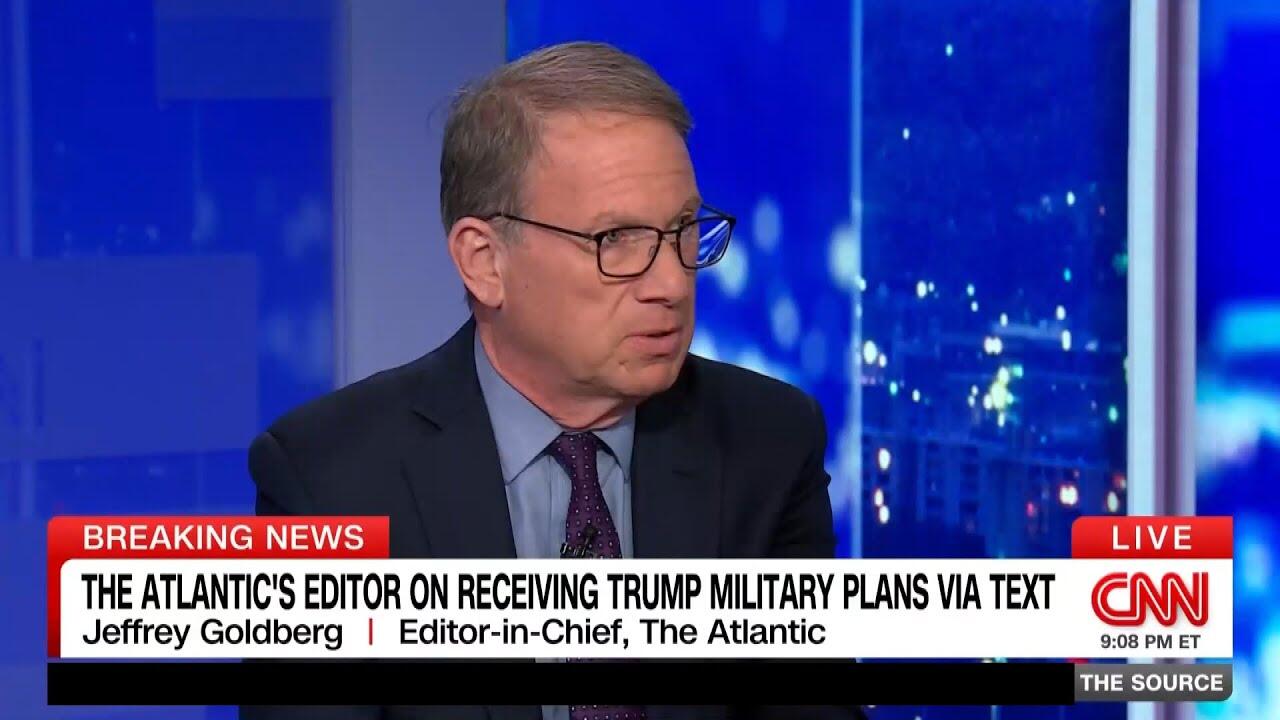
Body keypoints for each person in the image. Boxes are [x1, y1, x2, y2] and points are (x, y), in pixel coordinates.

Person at [245, 41, 860, 720]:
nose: (671, 282)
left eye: (683, 229)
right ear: (484, 261)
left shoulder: (766, 443)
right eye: (615, 239)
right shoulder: (329, 481)